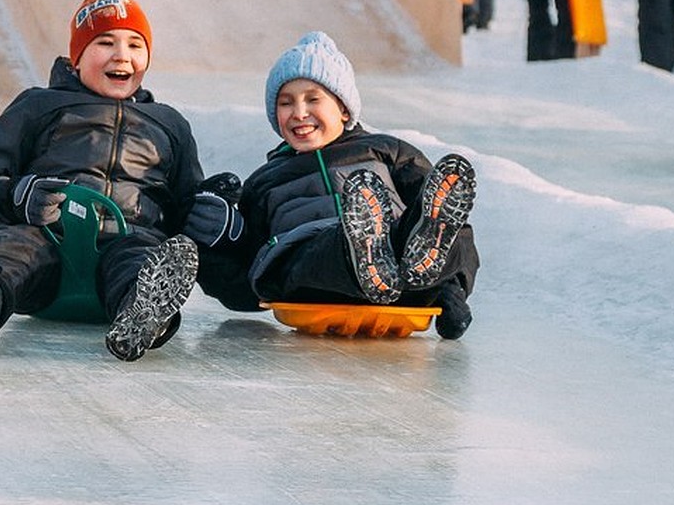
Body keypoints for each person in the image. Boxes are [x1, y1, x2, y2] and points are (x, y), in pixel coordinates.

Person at [0, 0, 204, 362]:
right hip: (47, 248)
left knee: (141, 258)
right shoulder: (39, 106)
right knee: (16, 247)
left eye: (135, 44)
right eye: (105, 42)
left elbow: (187, 207)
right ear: (77, 55)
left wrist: (214, 210)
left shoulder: (169, 124)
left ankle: (145, 314)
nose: (122, 56)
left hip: (128, 246)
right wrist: (15, 197)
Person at [189, 32, 480, 340]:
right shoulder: (266, 181)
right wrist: (208, 248)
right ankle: (365, 254)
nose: (299, 113)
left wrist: (453, 292)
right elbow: (247, 279)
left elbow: (451, 223)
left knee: (430, 224)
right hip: (313, 276)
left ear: (344, 108)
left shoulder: (386, 151)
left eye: (313, 99)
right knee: (317, 251)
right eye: (286, 103)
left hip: (400, 272)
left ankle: (411, 265)